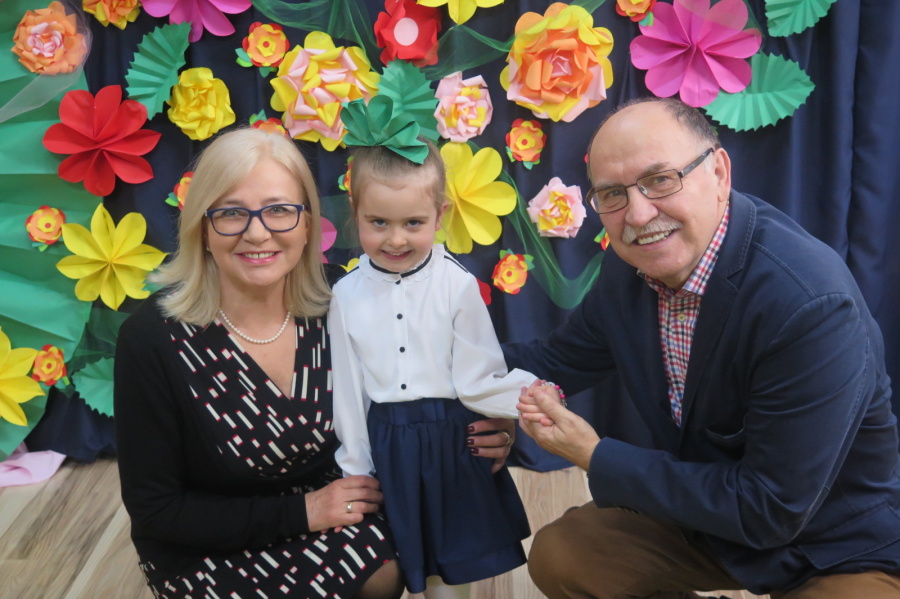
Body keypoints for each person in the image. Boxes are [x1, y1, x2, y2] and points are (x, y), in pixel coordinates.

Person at [506, 97, 900, 598]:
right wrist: (435, 360)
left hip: (833, 544)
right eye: (613, 194)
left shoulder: (809, 304)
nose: (638, 213)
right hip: (710, 523)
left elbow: (770, 510)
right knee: (565, 554)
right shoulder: (629, 272)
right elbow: (552, 362)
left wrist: (594, 455)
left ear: (718, 173)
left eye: (660, 180)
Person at [113, 127, 517, 599]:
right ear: (202, 226)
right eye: (231, 213)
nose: (257, 232)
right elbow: (158, 512)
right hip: (208, 542)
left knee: (386, 565)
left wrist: (489, 426)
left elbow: (432, 369)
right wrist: (302, 512)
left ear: (308, 223)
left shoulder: (342, 300)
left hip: (332, 513)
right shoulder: (152, 340)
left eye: (279, 210)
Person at [329, 139, 537, 599]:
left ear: (440, 215)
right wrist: (354, 468)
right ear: (355, 211)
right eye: (378, 222)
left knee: (451, 569)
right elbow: (348, 391)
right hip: (389, 444)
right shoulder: (345, 296)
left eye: (413, 223)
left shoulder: (456, 284)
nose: (395, 239)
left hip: (452, 441)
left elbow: (480, 373)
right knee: (398, 555)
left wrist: (527, 399)